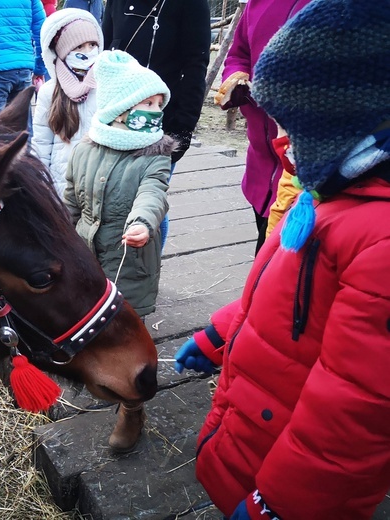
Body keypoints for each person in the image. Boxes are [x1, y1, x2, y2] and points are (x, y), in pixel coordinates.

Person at [174, 0, 390, 517]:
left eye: (298, 126)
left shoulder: (378, 239)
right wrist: (223, 332)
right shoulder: (330, 193)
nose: (279, 140)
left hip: (295, 483)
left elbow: (357, 409)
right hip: (262, 426)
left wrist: (282, 505)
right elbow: (278, 287)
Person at [64, 50, 174, 452]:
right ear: (119, 109)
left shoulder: (155, 157)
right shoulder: (83, 151)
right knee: (85, 323)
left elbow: (153, 194)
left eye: (158, 104)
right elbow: (70, 202)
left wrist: (143, 222)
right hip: (86, 261)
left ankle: (132, 408)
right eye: (146, 103)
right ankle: (90, 371)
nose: (154, 112)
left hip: (131, 263)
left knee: (129, 332)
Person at [101, 0, 210, 252]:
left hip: (160, 123)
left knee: (149, 200)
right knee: (109, 195)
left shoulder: (191, 5)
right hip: (115, 119)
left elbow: (196, 65)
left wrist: (183, 127)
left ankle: (147, 272)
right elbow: (106, 53)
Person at [214, 0, 313, 254]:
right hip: (261, 166)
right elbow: (239, 53)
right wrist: (236, 79)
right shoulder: (259, 3)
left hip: (307, 172)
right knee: (264, 249)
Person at [32, 8, 102, 197]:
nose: (88, 52)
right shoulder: (49, 91)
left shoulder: (106, 85)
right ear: (62, 52)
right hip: (62, 186)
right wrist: (40, 185)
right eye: (79, 47)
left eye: (92, 45)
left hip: (101, 185)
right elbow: (41, 143)